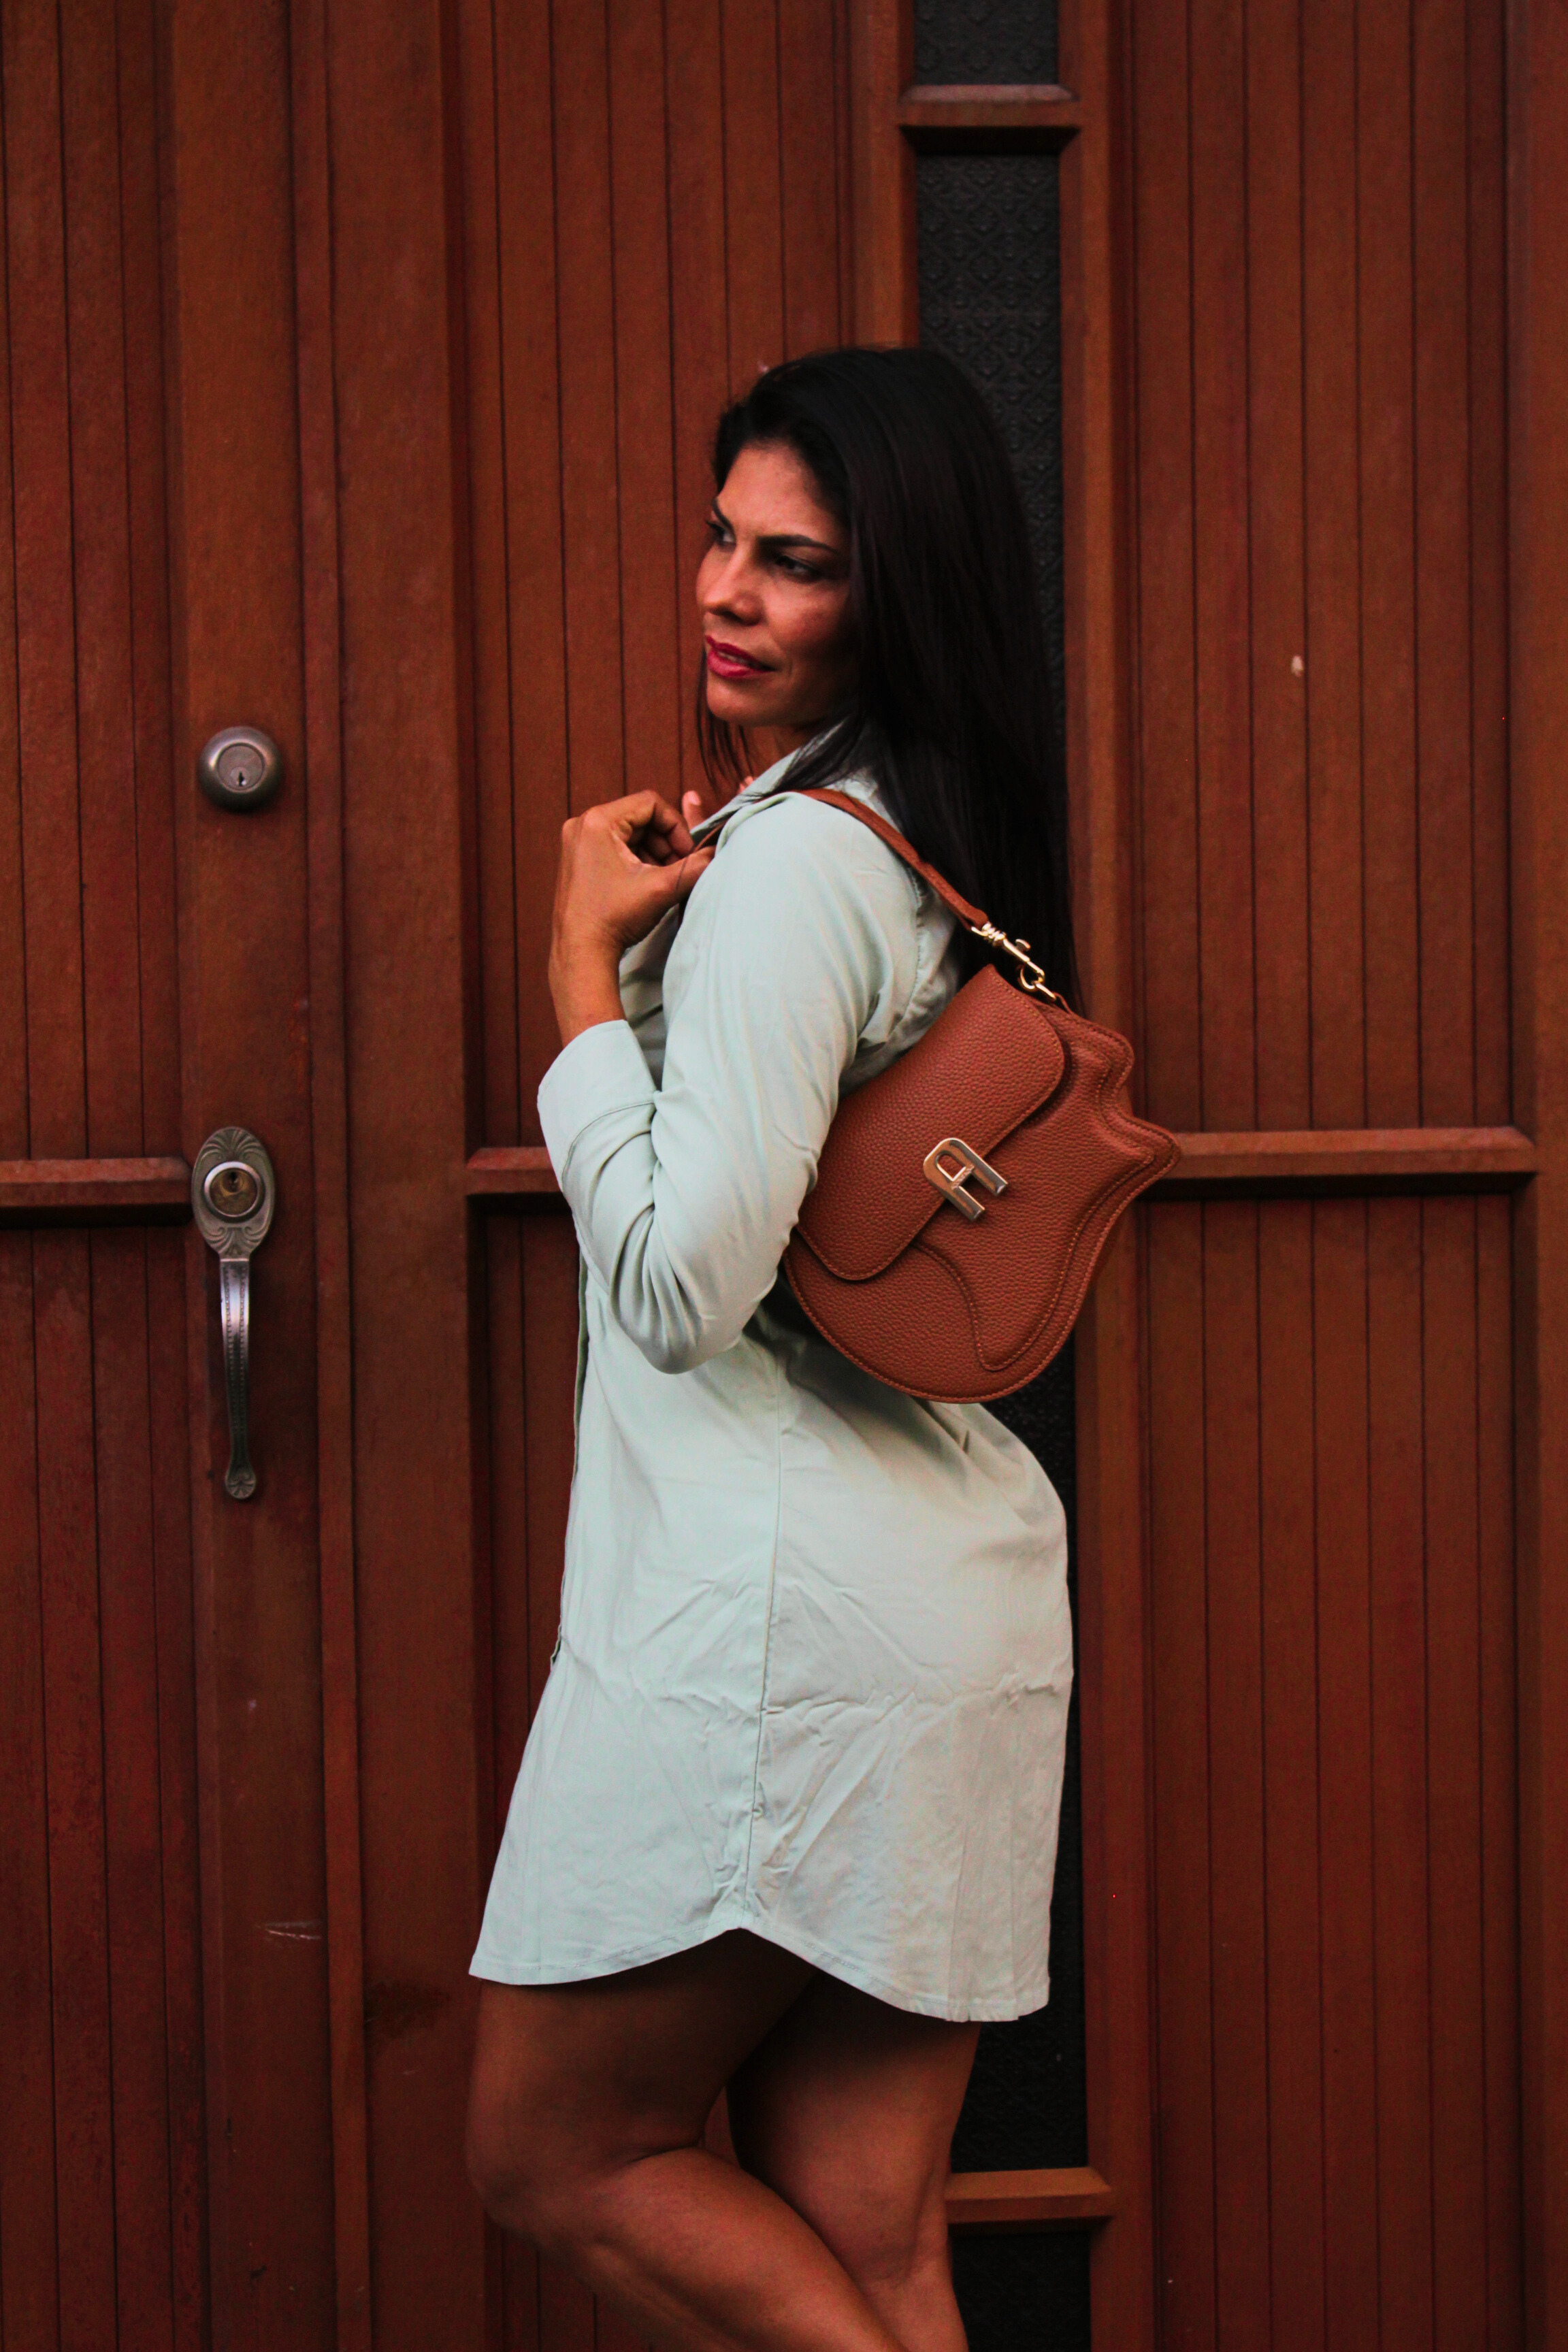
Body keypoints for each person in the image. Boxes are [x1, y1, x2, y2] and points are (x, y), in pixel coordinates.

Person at [466, 347, 1077, 2352]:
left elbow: (677, 1286)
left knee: (558, 2154)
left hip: (776, 1636)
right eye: (721, 536)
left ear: (893, 594)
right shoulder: (902, 835)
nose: (725, 589)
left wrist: (571, 971)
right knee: (873, 2240)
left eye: (793, 562)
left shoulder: (802, 871)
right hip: (938, 1610)